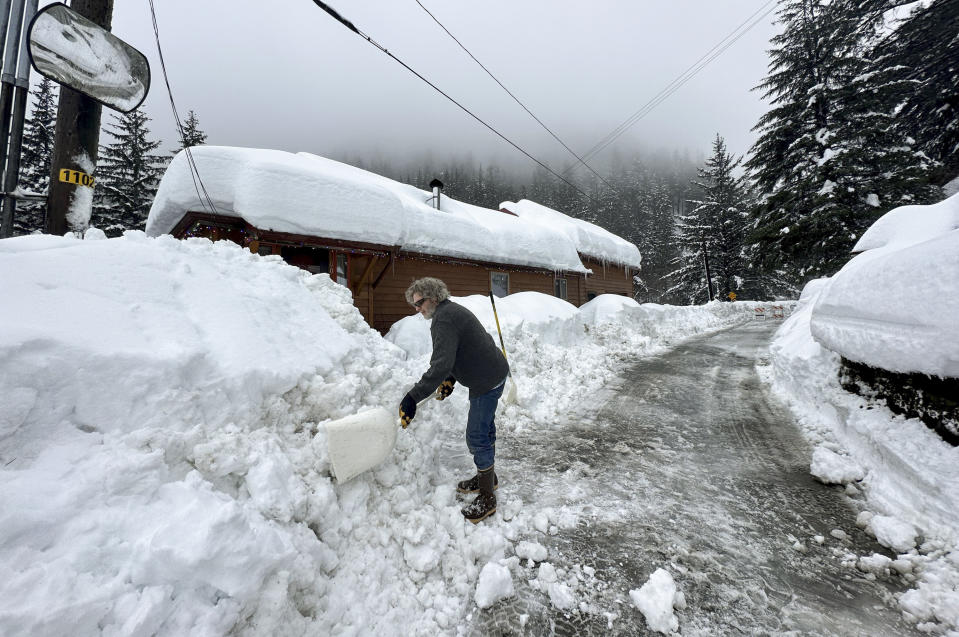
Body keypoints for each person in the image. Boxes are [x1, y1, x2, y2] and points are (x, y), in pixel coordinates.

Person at [399, 277, 510, 524]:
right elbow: (456, 352)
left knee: (476, 436)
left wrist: (412, 397)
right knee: (485, 430)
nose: (417, 309)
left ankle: (487, 496)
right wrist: (451, 378)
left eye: (419, 303)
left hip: (486, 380)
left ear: (433, 297)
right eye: (414, 305)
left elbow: (440, 364)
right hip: (493, 372)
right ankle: (487, 478)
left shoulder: (444, 319)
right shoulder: (449, 312)